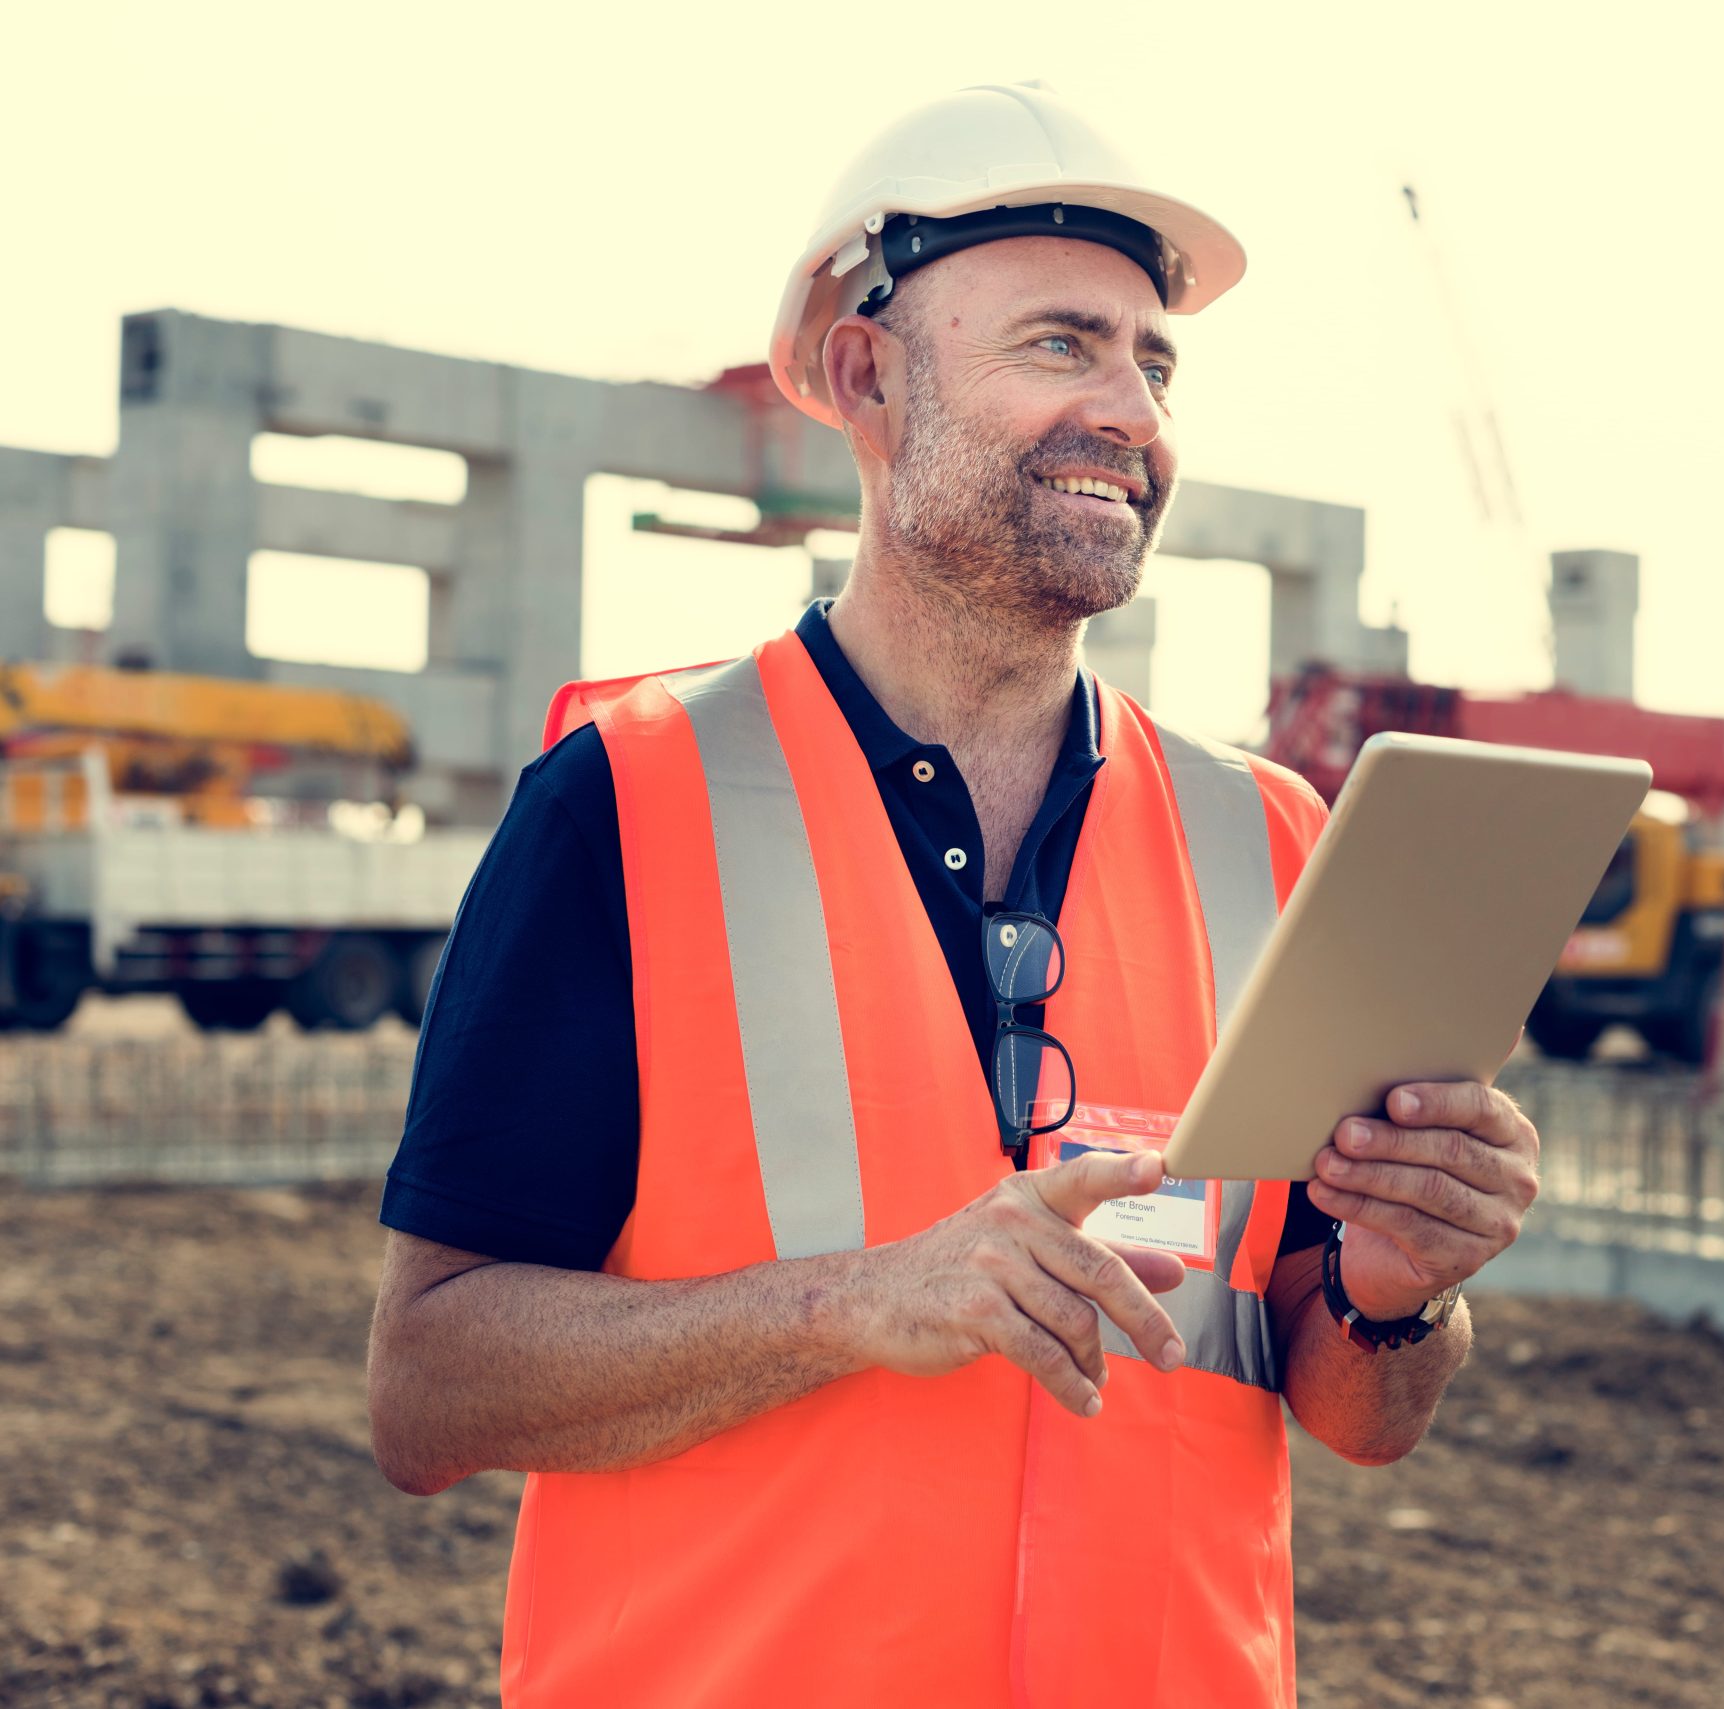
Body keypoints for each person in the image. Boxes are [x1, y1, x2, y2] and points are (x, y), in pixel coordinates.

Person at [365, 82, 1541, 1708]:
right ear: (866, 373)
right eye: (1061, 343)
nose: (1129, 407)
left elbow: (1352, 1410)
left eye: (1155, 359)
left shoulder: (1271, 838)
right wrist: (856, 1301)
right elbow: (427, 1390)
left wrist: (1404, 1288)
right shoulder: (631, 803)